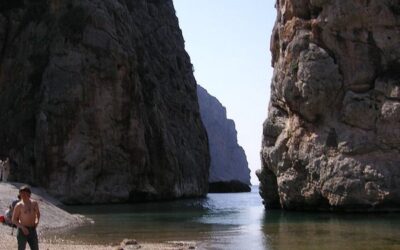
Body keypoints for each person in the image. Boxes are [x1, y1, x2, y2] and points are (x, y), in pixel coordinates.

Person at [12, 186, 40, 250]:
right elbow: (13, 220)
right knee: (21, 248)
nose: (23, 195)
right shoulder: (19, 205)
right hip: (22, 230)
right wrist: (22, 227)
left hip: (32, 230)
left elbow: (38, 214)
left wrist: (37, 221)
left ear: (29, 194)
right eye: (21, 194)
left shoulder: (34, 203)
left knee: (35, 248)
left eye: (24, 194)